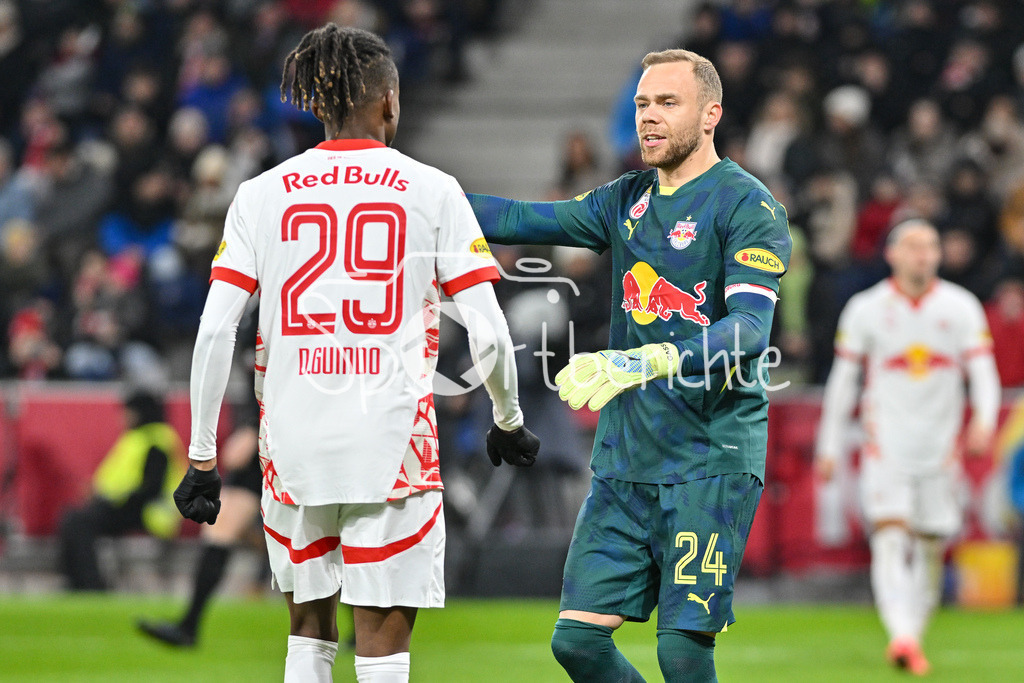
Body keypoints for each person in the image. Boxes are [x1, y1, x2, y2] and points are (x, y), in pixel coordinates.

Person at [171, 24, 539, 683]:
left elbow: (214, 330)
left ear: (317, 103)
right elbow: (487, 329)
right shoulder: (433, 190)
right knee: (382, 645)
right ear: (389, 100)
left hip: (293, 445)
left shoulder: (260, 194)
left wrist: (202, 457)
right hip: (391, 444)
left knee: (307, 634)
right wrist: (508, 419)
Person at [469, 49, 792, 682]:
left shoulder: (747, 206)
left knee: (682, 650)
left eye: (667, 103)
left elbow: (751, 330)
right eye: (643, 104)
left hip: (710, 456)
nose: (648, 116)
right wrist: (415, 195)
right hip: (627, 457)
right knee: (577, 643)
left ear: (710, 114)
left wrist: (653, 357)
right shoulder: (626, 199)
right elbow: (521, 217)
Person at [816, 219, 1001, 675]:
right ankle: (900, 634)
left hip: (941, 448)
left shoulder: (961, 307)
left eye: (931, 246)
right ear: (892, 254)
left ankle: (911, 634)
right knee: (890, 536)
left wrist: (983, 422)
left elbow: (983, 373)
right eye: (914, 246)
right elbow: (843, 381)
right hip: (886, 446)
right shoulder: (866, 308)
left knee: (930, 544)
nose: (923, 255)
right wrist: (829, 444)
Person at [138, 380, 264, 647]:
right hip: (264, 441)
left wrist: (254, 426)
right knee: (225, 529)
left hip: (271, 440)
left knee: (308, 539)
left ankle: (189, 626)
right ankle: (189, 625)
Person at [58, 391, 185, 591]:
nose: (123, 417)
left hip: (149, 514)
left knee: (78, 522)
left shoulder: (156, 440)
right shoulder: (139, 438)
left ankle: (91, 585)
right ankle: (80, 583)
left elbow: (152, 488)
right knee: (73, 518)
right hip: (128, 508)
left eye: (127, 412)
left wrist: (110, 500)